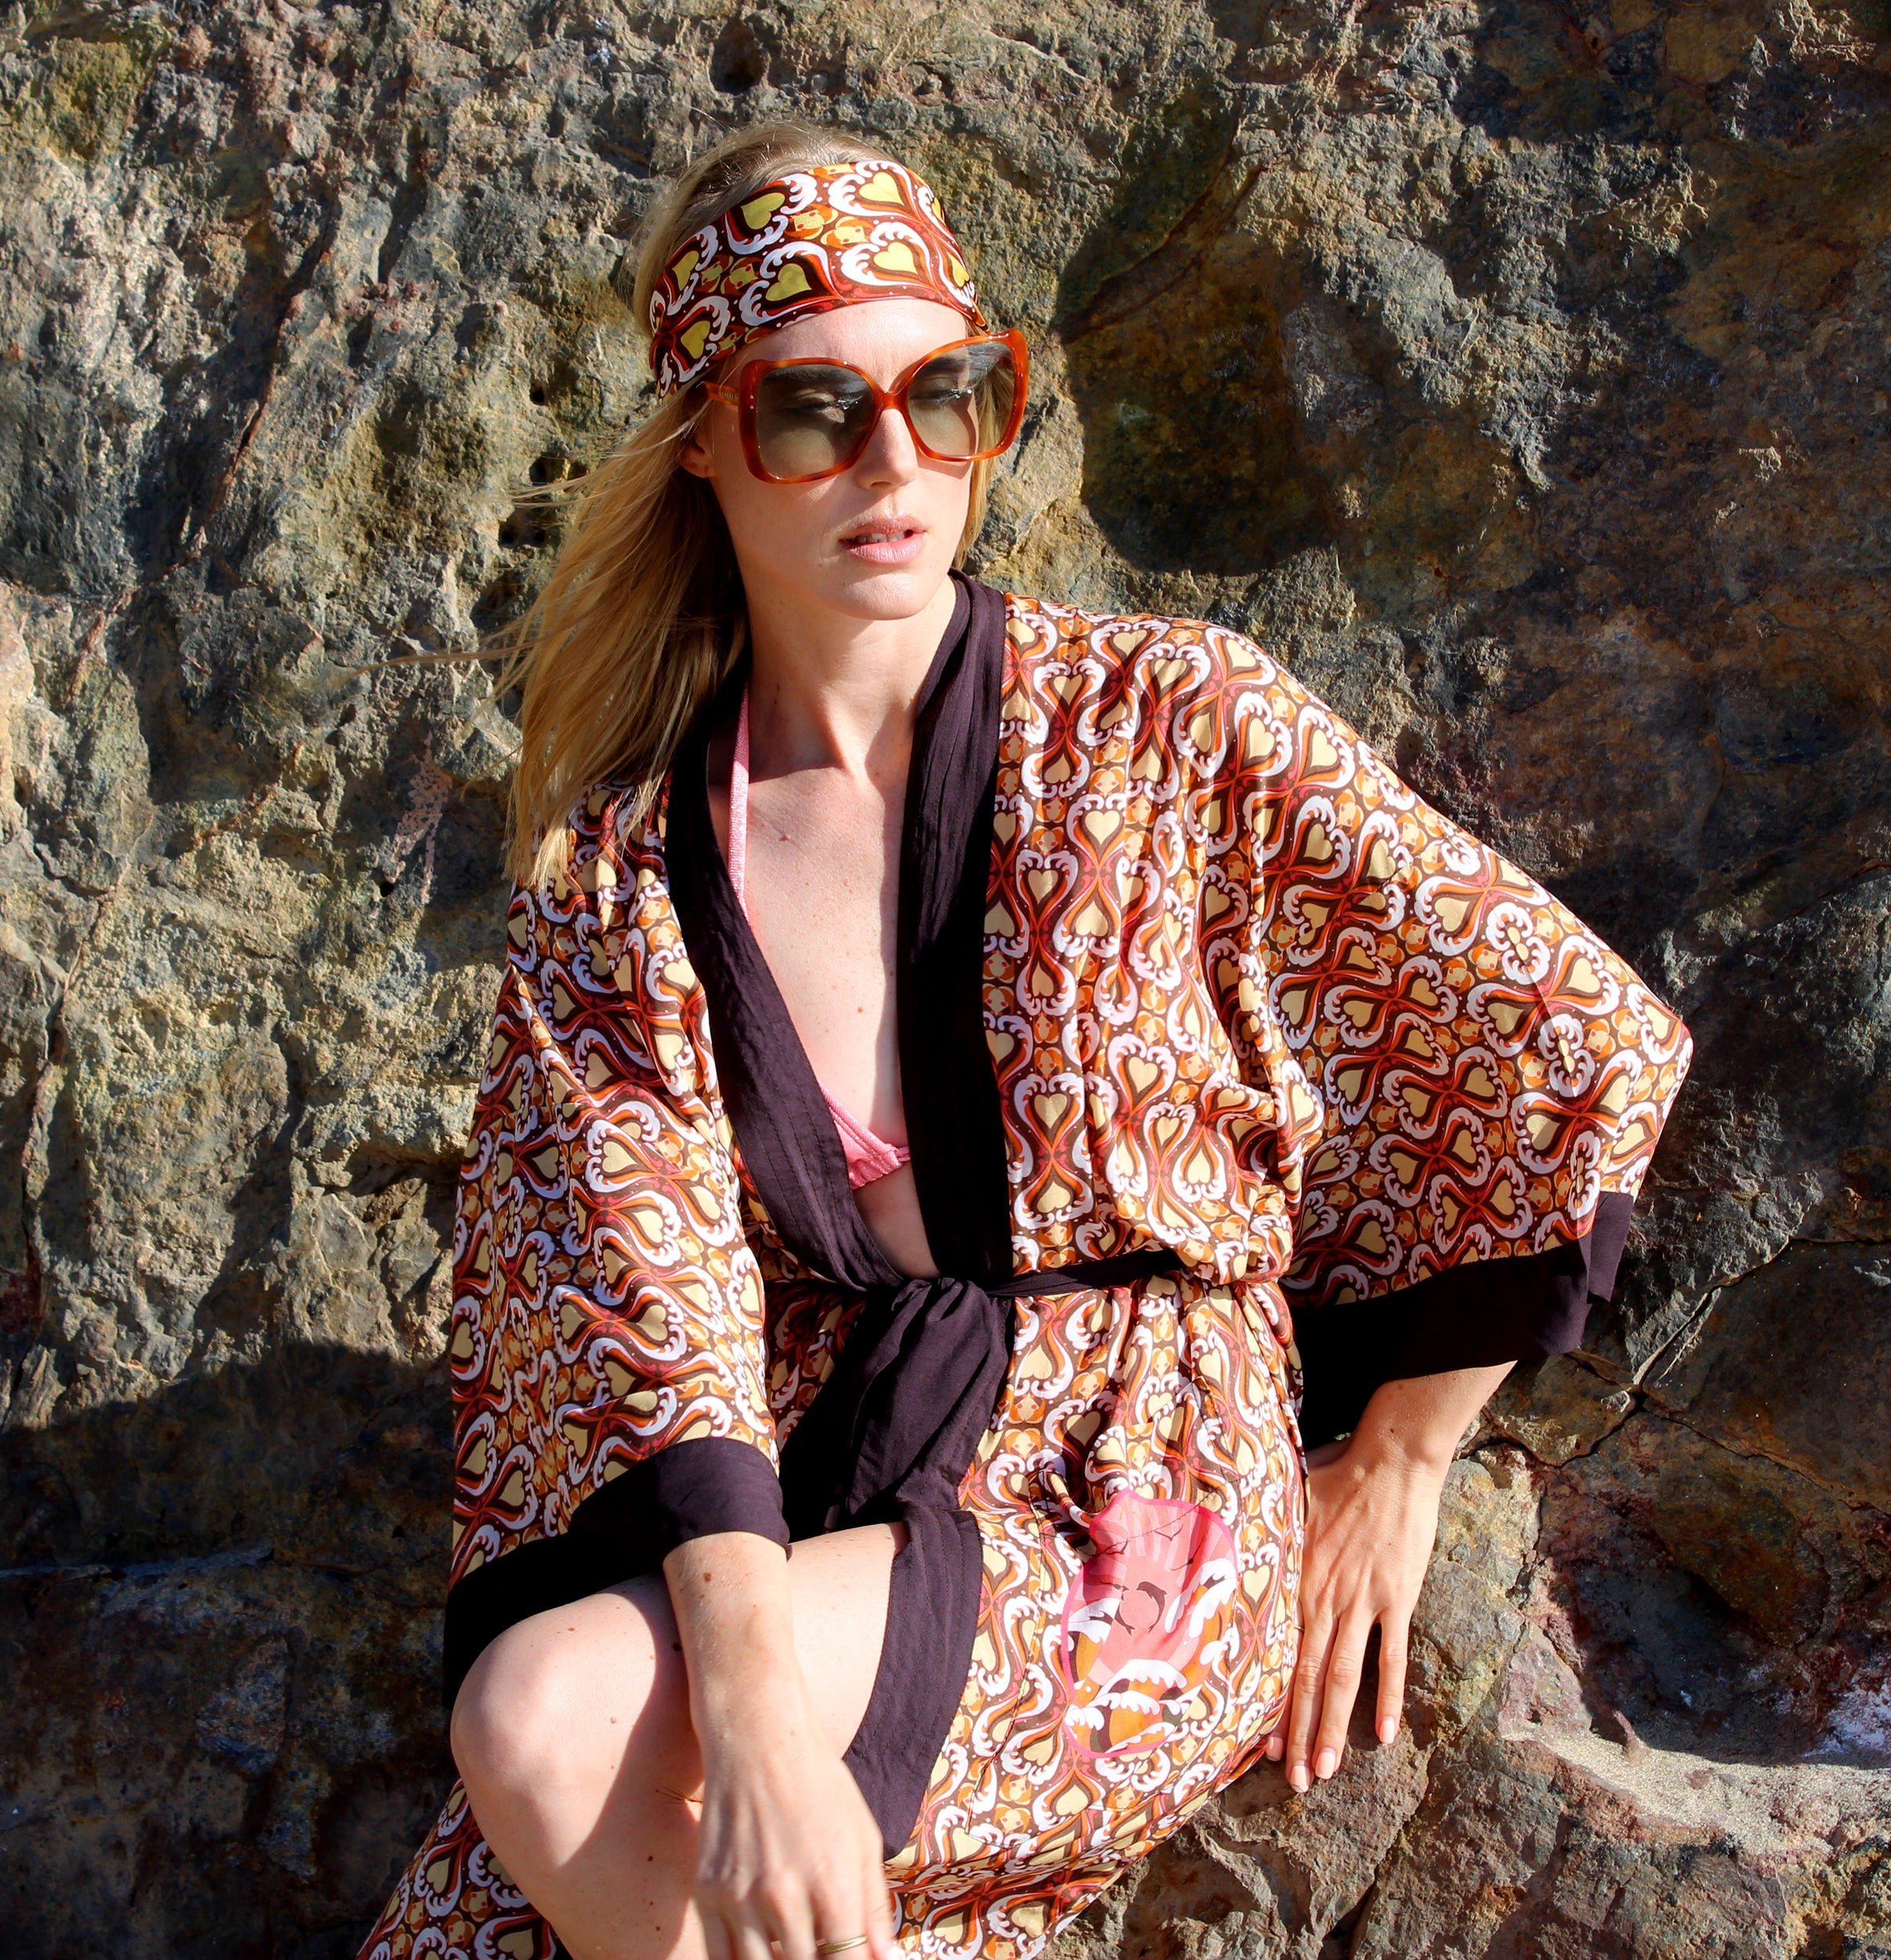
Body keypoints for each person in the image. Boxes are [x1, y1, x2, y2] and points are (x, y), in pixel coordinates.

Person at [358, 119, 1693, 1960]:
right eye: (814, 411)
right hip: (817, 1502)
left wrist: (1401, 1449)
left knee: (540, 1725)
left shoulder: (1168, 716)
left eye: (948, 395)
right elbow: (643, 1314)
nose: (894, 462)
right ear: (702, 444)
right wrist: (752, 1713)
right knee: (505, 1866)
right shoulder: (623, 877)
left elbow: (1563, 1029)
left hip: (1135, 1498)